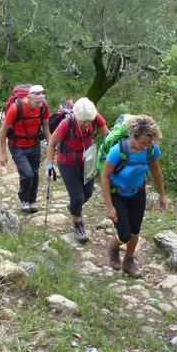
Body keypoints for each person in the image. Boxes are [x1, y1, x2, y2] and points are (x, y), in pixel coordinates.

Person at [101, 115, 168, 278]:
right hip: (118, 194)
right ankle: (114, 247)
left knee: (135, 231)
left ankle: (128, 261)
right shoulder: (118, 151)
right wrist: (110, 207)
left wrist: (162, 195)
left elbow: (156, 171)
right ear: (133, 136)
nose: (145, 146)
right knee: (124, 234)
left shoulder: (151, 150)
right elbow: (105, 177)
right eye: (142, 142)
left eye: (149, 142)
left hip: (138, 192)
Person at [45, 97, 109, 244]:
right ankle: (78, 224)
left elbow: (107, 135)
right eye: (83, 122)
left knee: (88, 193)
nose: (87, 124)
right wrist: (49, 165)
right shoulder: (67, 122)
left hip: (88, 161)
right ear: (77, 116)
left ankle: (74, 207)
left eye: (89, 121)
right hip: (67, 162)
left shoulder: (93, 116)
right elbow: (52, 144)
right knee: (78, 197)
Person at [0, 84, 50, 213]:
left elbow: (46, 126)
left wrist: (51, 144)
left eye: (42, 102)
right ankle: (23, 199)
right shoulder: (16, 108)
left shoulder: (43, 106)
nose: (40, 105)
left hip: (34, 143)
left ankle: (32, 200)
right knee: (27, 174)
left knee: (35, 173)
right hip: (17, 146)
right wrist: (3, 153)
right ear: (29, 98)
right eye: (37, 102)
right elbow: (3, 131)